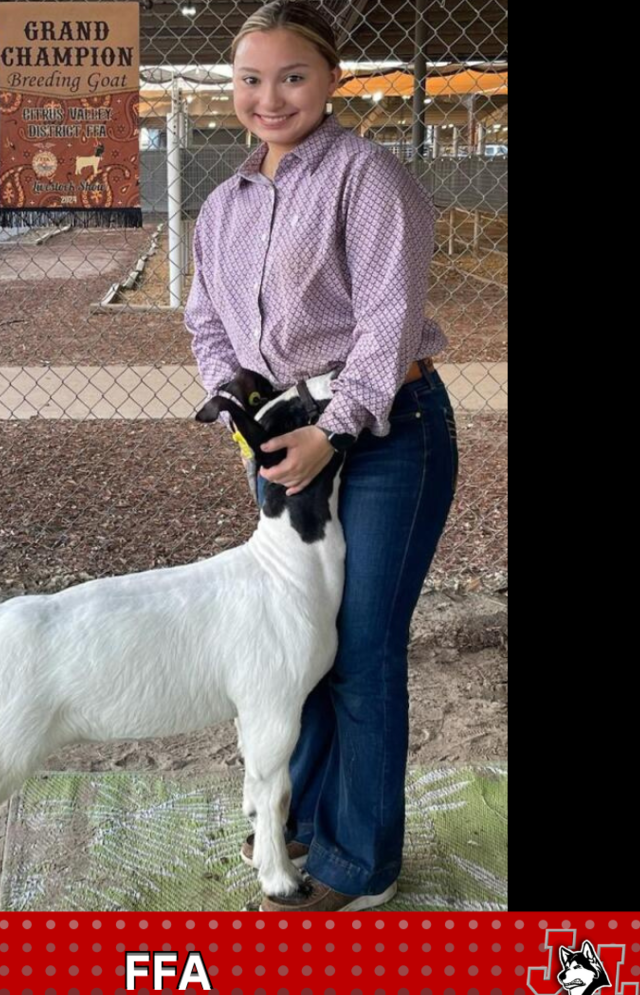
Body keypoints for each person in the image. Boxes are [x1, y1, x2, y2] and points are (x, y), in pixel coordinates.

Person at [184, 0, 459, 912]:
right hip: (286, 437)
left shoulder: (366, 175)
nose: (270, 98)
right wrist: (239, 402)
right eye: (250, 79)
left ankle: (359, 863)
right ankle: (292, 818)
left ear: (332, 78)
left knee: (363, 646)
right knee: (292, 641)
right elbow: (207, 319)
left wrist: (334, 429)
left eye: (292, 76)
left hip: (382, 433)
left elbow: (386, 317)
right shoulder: (224, 205)